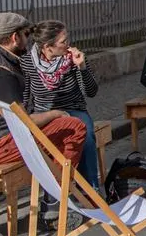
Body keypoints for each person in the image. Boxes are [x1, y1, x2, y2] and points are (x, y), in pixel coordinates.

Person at [0, 13, 87, 220]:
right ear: (15, 37)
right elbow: (22, 121)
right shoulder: (0, 71)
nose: (29, 39)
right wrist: (55, 113)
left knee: (52, 133)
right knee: (73, 126)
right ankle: (55, 200)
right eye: (26, 34)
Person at [20, 21, 103, 190]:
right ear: (47, 46)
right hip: (44, 113)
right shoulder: (28, 62)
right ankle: (53, 192)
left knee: (85, 133)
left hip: (73, 109)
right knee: (41, 143)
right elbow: (25, 95)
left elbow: (92, 91)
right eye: (63, 41)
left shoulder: (72, 59)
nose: (68, 44)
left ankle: (91, 190)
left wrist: (82, 67)